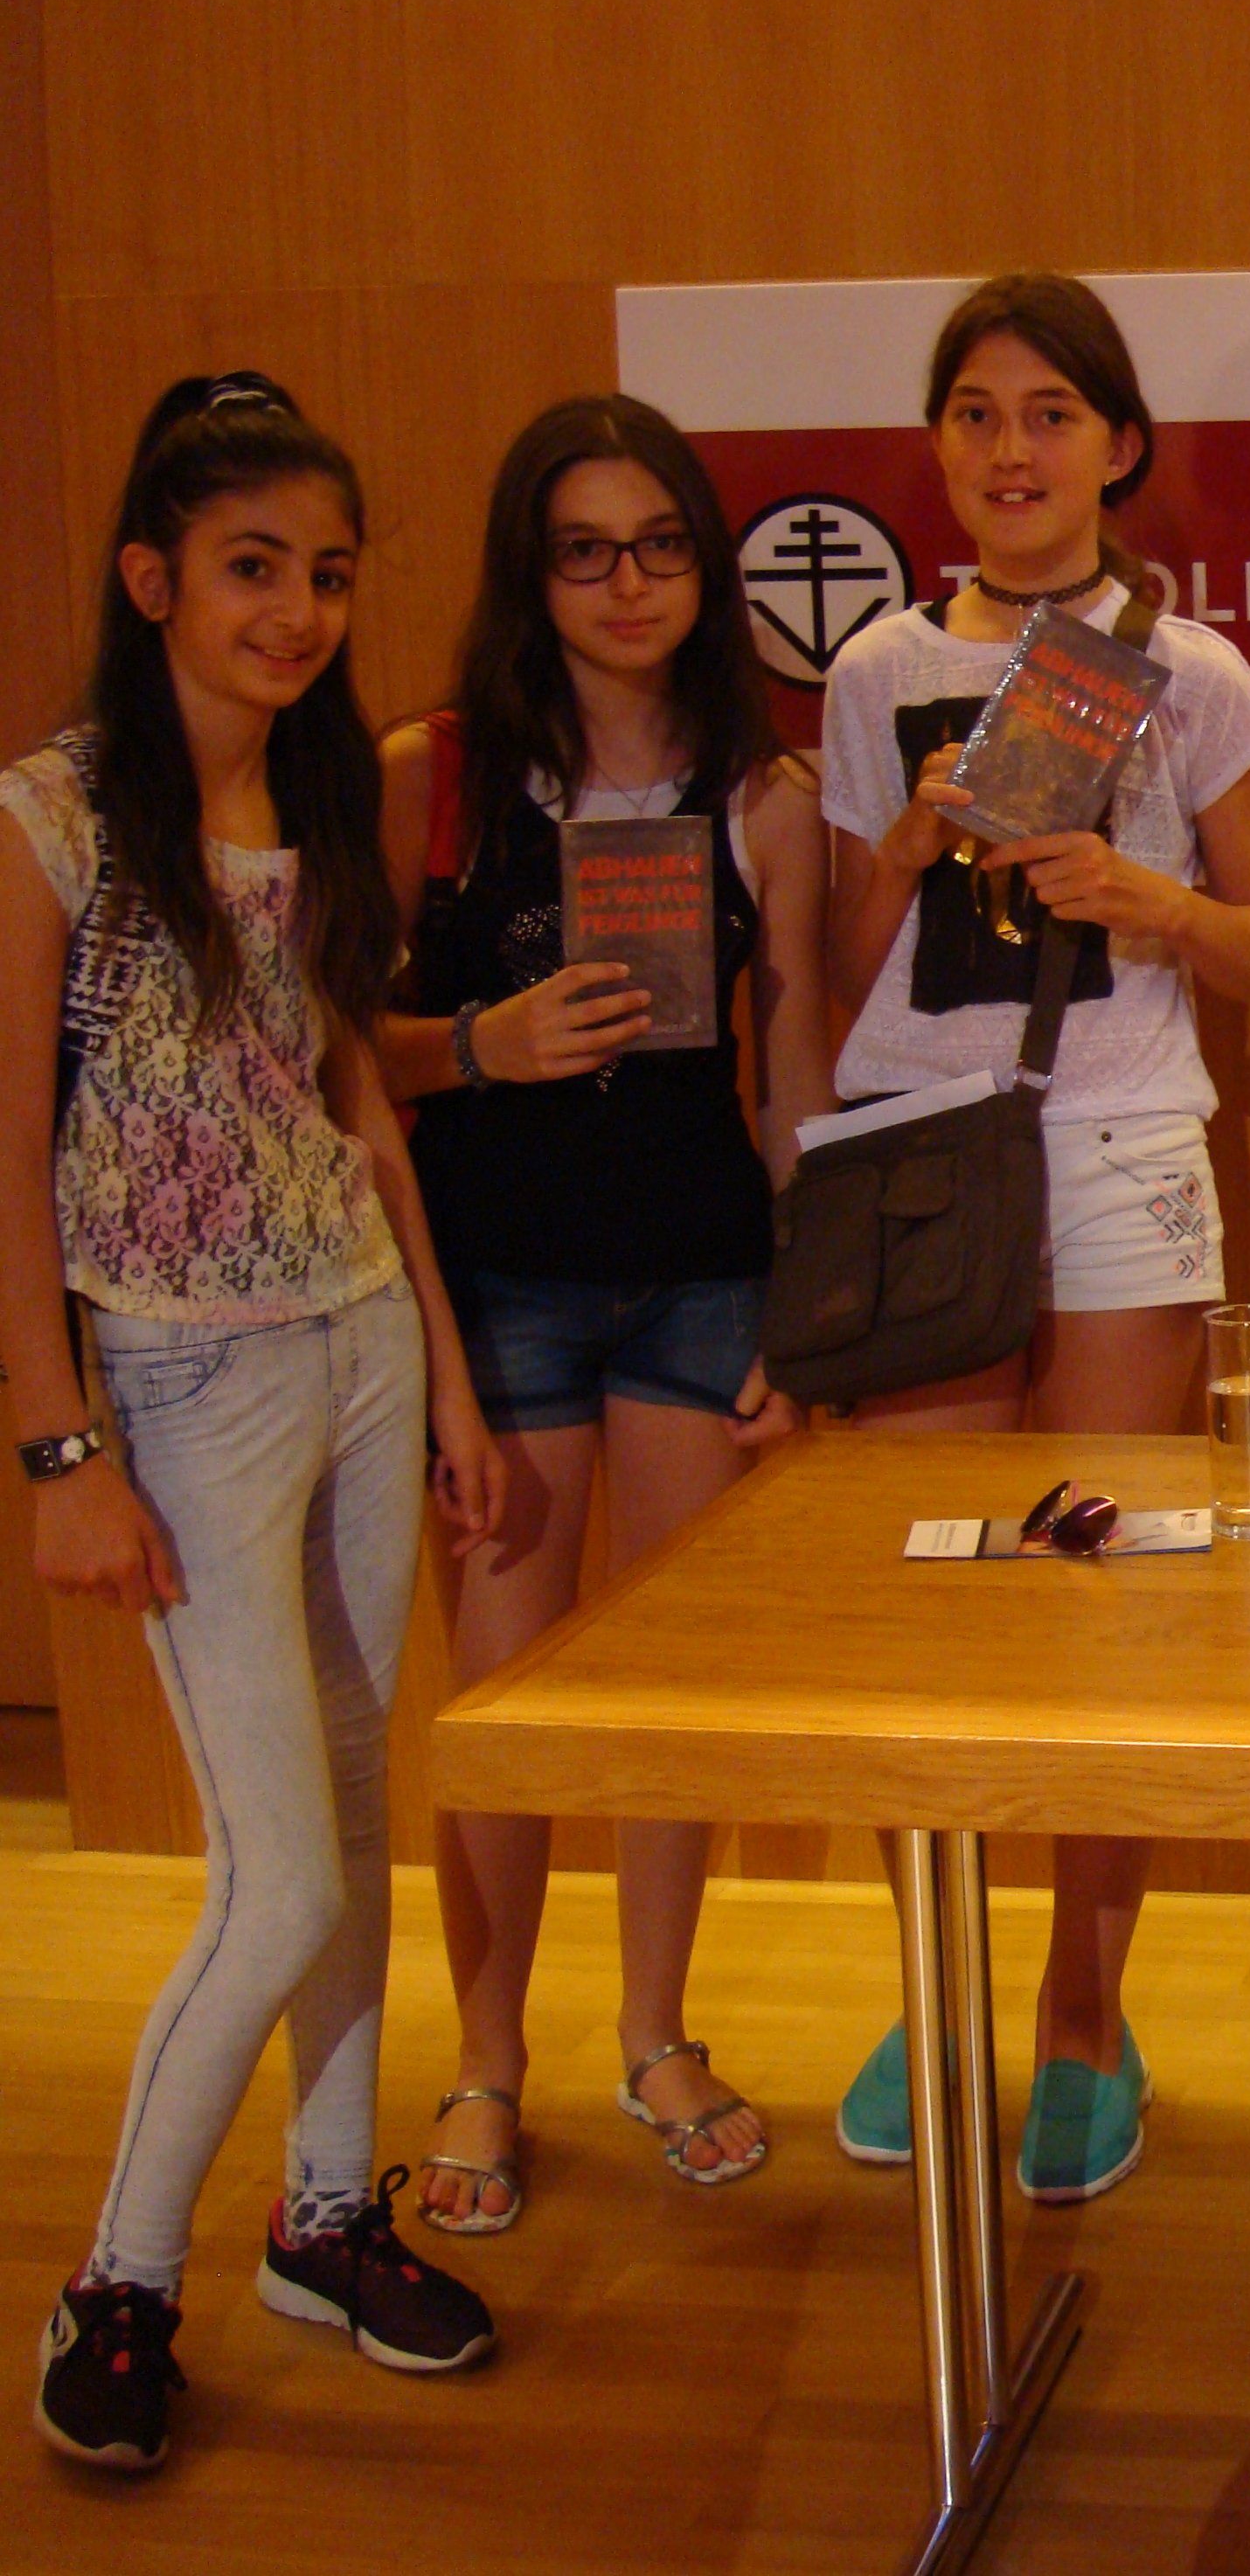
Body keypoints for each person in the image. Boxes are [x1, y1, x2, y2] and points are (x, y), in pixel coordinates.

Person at [5, 376, 503, 2473]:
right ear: (153, 579)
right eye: (249, 568)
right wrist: (57, 1451)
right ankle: (122, 2280)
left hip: (361, 1336)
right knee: (276, 1874)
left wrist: (451, 1379)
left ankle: (325, 2218)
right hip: (184, 1374)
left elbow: (354, 1100)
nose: (294, 611)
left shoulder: (316, 805)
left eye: (326, 573)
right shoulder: (51, 817)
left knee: (359, 1811)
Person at [822, 272, 1250, 2203]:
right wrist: (906, 847)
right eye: (975, 414)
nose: (1009, 451)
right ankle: (934, 1987)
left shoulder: (1195, 671)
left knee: (1106, 1596)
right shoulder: (873, 671)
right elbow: (827, 972)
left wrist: (1147, 900)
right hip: (917, 1154)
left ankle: (1082, 2013)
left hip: (1115, 1150)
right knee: (918, 1604)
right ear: (937, 446)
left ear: (1118, 447)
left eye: (1047, 414)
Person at [378, 395, 836, 2232]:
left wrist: (802, 1315)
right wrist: (479, 1045)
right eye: (584, 550)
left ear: (704, 565)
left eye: (657, 545)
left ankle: (656, 2033)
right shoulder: (435, 774)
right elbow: (340, 1057)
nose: (627, 583)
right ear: (531, 572)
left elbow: (792, 1077)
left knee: (665, 1689)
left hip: (700, 1278)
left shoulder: (764, 793)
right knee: (504, 1706)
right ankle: (487, 2063)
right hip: (498, 1288)